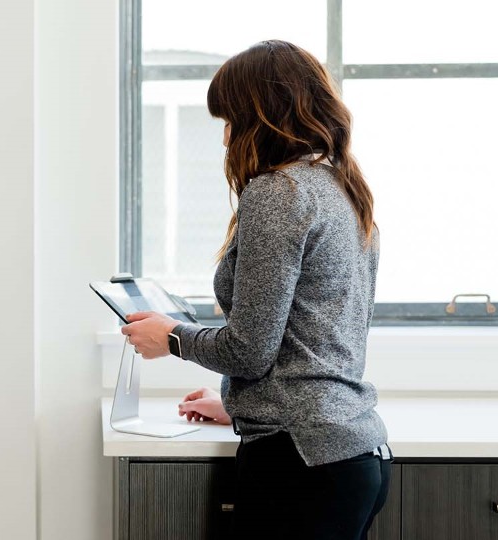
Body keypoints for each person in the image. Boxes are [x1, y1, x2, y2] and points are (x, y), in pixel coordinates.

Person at [120, 40, 391, 540]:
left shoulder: (278, 192)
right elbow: (315, 340)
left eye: (230, 120)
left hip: (300, 466)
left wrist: (171, 338)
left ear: (262, 118)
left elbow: (249, 349)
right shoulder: (339, 187)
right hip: (350, 454)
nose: (225, 139)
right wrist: (243, 404)